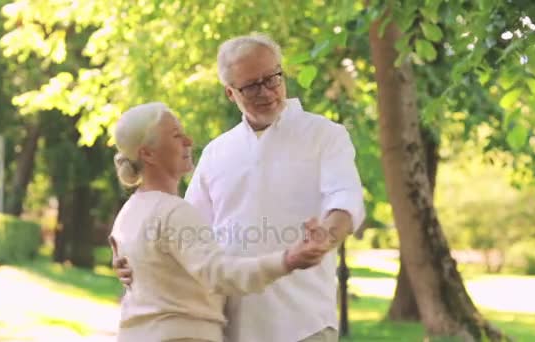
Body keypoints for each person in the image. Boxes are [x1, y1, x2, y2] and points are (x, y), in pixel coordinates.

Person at [114, 33, 365, 342]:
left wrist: (326, 235)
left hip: (304, 322)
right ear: (230, 93)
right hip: (232, 324)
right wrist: (131, 260)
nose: (266, 92)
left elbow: (345, 198)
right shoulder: (217, 152)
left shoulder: (325, 135)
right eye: (251, 86)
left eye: (272, 78)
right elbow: (184, 232)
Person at [109, 102, 331, 342]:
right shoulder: (173, 212)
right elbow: (220, 274)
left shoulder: (128, 213)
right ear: (147, 153)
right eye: (176, 136)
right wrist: (288, 260)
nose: (188, 141)